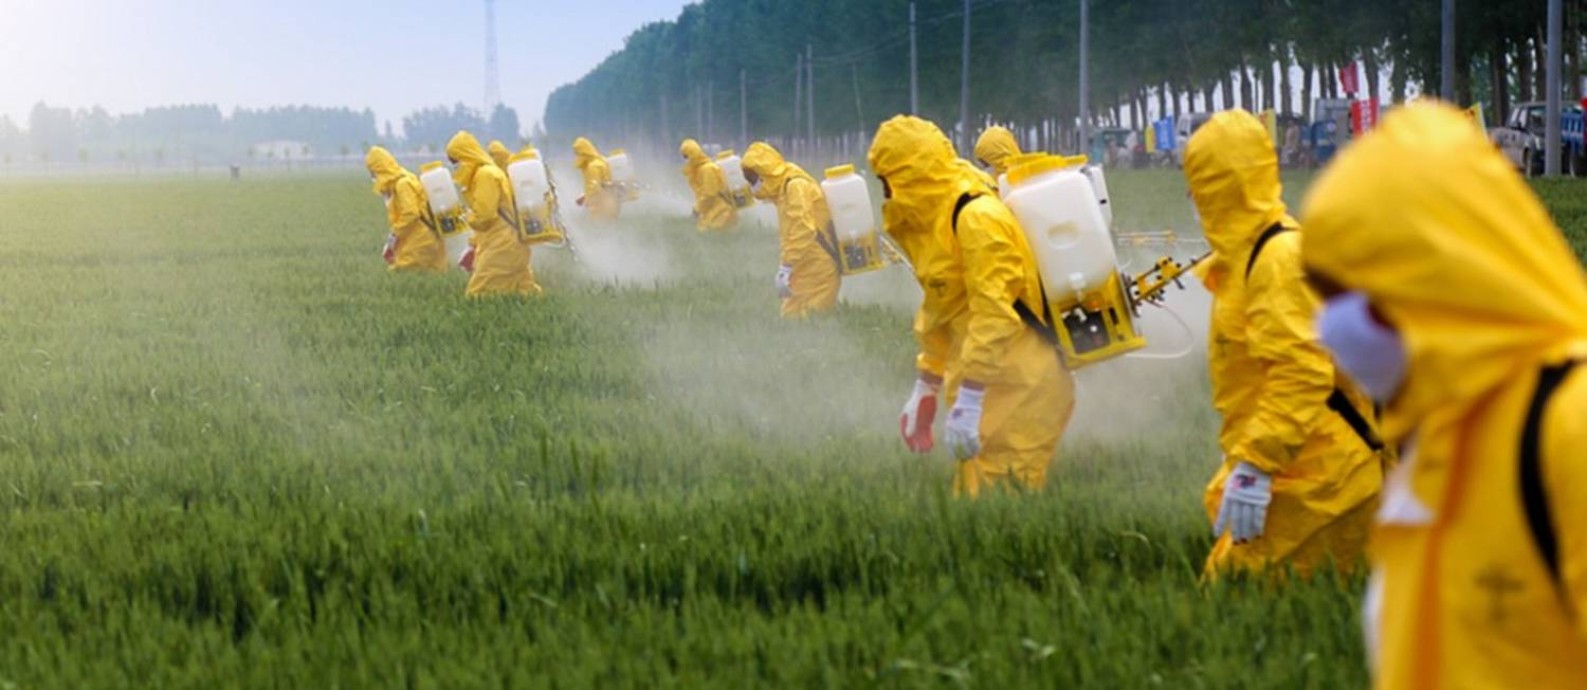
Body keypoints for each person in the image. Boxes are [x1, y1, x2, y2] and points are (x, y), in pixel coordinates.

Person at [1302, 102, 1587, 689]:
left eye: (1352, 291)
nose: (1329, 327)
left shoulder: (1570, 425)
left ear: (1436, 277)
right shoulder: (1438, 441)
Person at [1183, 109, 1386, 578]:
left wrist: (1256, 462)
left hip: (1322, 479)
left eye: (1200, 181)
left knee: (1235, 600)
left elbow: (1301, 374)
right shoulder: (1247, 259)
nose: (1192, 197)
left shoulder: (1277, 260)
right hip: (1299, 465)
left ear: (1223, 186)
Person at [868, 115, 1075, 498]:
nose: (883, 192)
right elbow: (943, 306)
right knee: (975, 504)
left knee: (1003, 515)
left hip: (1020, 389)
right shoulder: (939, 219)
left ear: (910, 175)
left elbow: (995, 313)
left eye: (885, 180)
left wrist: (972, 395)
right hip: (990, 386)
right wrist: (927, 383)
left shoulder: (976, 217)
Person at [741, 142, 840, 318]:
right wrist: (789, 266)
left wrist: (786, 266)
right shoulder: (783, 190)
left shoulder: (795, 186)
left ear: (765, 171)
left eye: (753, 178)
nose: (752, 185)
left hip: (819, 268)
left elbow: (804, 229)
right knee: (791, 321)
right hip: (804, 266)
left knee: (812, 322)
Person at [446, 131, 541, 297]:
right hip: (508, 242)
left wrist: (465, 216)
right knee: (524, 291)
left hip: (502, 245)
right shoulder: (483, 174)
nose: (455, 166)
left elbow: (485, 217)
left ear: (466, 155)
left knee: (478, 295)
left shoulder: (486, 175)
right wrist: (472, 245)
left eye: (455, 160)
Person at [365, 145, 447, 273]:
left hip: (421, 240)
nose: (372, 176)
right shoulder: (399, 183)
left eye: (372, 171)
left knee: (400, 274)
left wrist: (394, 236)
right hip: (419, 239)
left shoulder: (402, 184)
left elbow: (410, 214)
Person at [679, 138, 737, 232]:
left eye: (686, 156)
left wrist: (697, 210)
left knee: (707, 232)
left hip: (721, 211)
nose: (685, 159)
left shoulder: (707, 169)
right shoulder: (699, 170)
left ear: (692, 155)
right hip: (715, 211)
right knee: (702, 230)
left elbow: (710, 194)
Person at [572, 137, 621, 221]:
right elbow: (602, 184)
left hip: (599, 208)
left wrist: (587, 202)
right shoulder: (601, 161)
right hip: (610, 203)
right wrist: (584, 197)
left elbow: (594, 189)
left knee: (596, 229)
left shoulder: (592, 167)